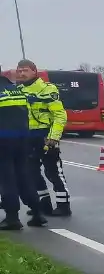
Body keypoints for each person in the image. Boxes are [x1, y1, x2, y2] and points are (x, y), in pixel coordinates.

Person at [13, 60, 70, 217]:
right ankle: (43, 204)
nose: (22, 73)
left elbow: (60, 115)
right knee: (31, 172)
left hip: (45, 136)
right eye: (19, 71)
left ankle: (63, 205)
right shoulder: (18, 91)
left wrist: (53, 137)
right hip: (27, 137)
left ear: (34, 71)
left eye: (25, 70)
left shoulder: (47, 89)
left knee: (53, 172)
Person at [0, 67, 44, 230]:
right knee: (23, 175)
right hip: (23, 138)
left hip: (3, 140)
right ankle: (37, 212)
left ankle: (12, 218)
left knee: (7, 179)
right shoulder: (16, 90)